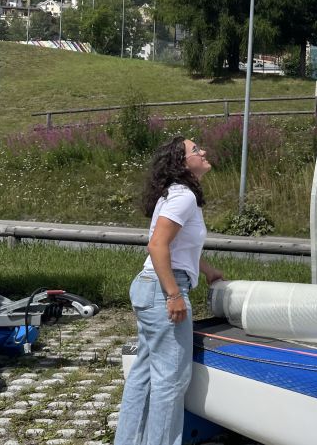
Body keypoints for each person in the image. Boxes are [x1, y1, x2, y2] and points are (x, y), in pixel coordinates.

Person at [114, 137, 223, 445]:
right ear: (182, 163)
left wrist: (207, 270)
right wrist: (174, 294)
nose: (203, 152)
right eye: (195, 150)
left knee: (145, 374)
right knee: (171, 380)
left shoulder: (176, 194)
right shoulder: (183, 196)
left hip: (151, 286)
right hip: (163, 288)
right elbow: (157, 245)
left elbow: (176, 247)